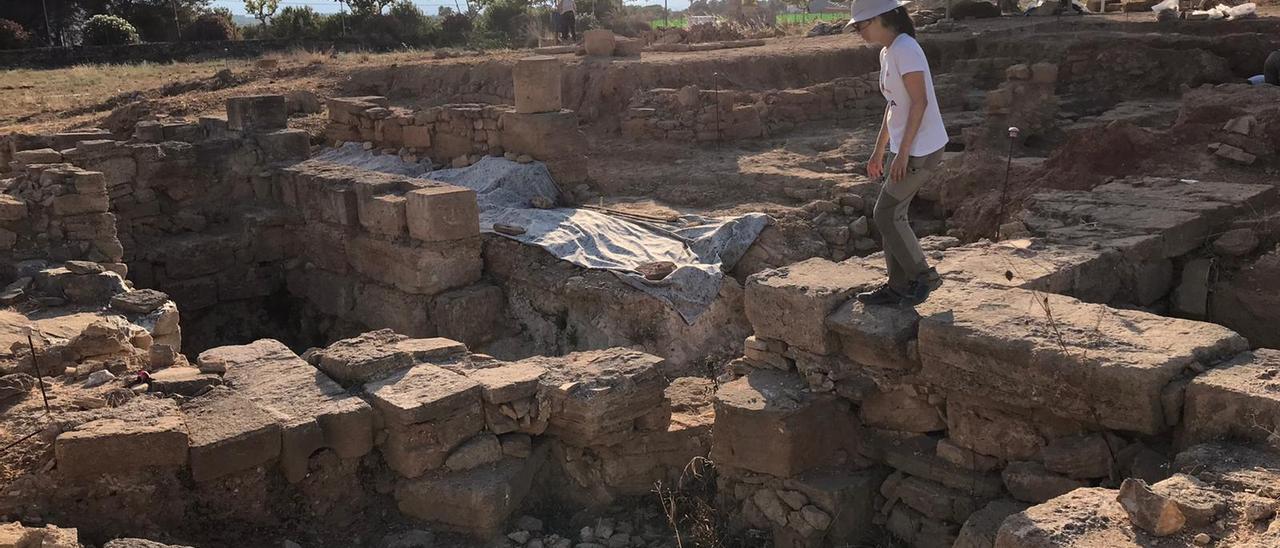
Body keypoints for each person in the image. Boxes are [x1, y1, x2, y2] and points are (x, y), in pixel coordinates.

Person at [845, 0, 948, 306]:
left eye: (862, 25)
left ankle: (924, 277)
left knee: (886, 213)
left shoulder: (906, 49)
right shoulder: (888, 52)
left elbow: (920, 103)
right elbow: (894, 105)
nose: (860, 33)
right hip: (903, 146)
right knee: (893, 214)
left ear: (880, 18)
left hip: (921, 148)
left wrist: (903, 154)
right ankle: (897, 286)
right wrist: (879, 151)